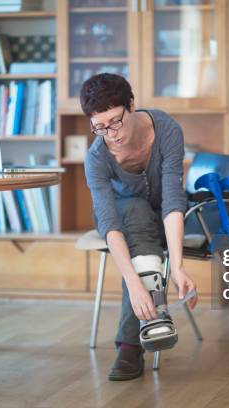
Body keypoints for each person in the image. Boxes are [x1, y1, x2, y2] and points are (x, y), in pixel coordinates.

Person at [81, 73, 198, 381]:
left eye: (115, 122)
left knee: (143, 222)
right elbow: (109, 224)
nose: (111, 133)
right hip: (122, 221)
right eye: (100, 127)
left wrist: (178, 268)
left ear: (131, 105)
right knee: (134, 210)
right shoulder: (96, 158)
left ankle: (131, 346)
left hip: (161, 220)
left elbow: (173, 199)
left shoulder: (166, 130)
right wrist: (134, 284)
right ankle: (147, 326)